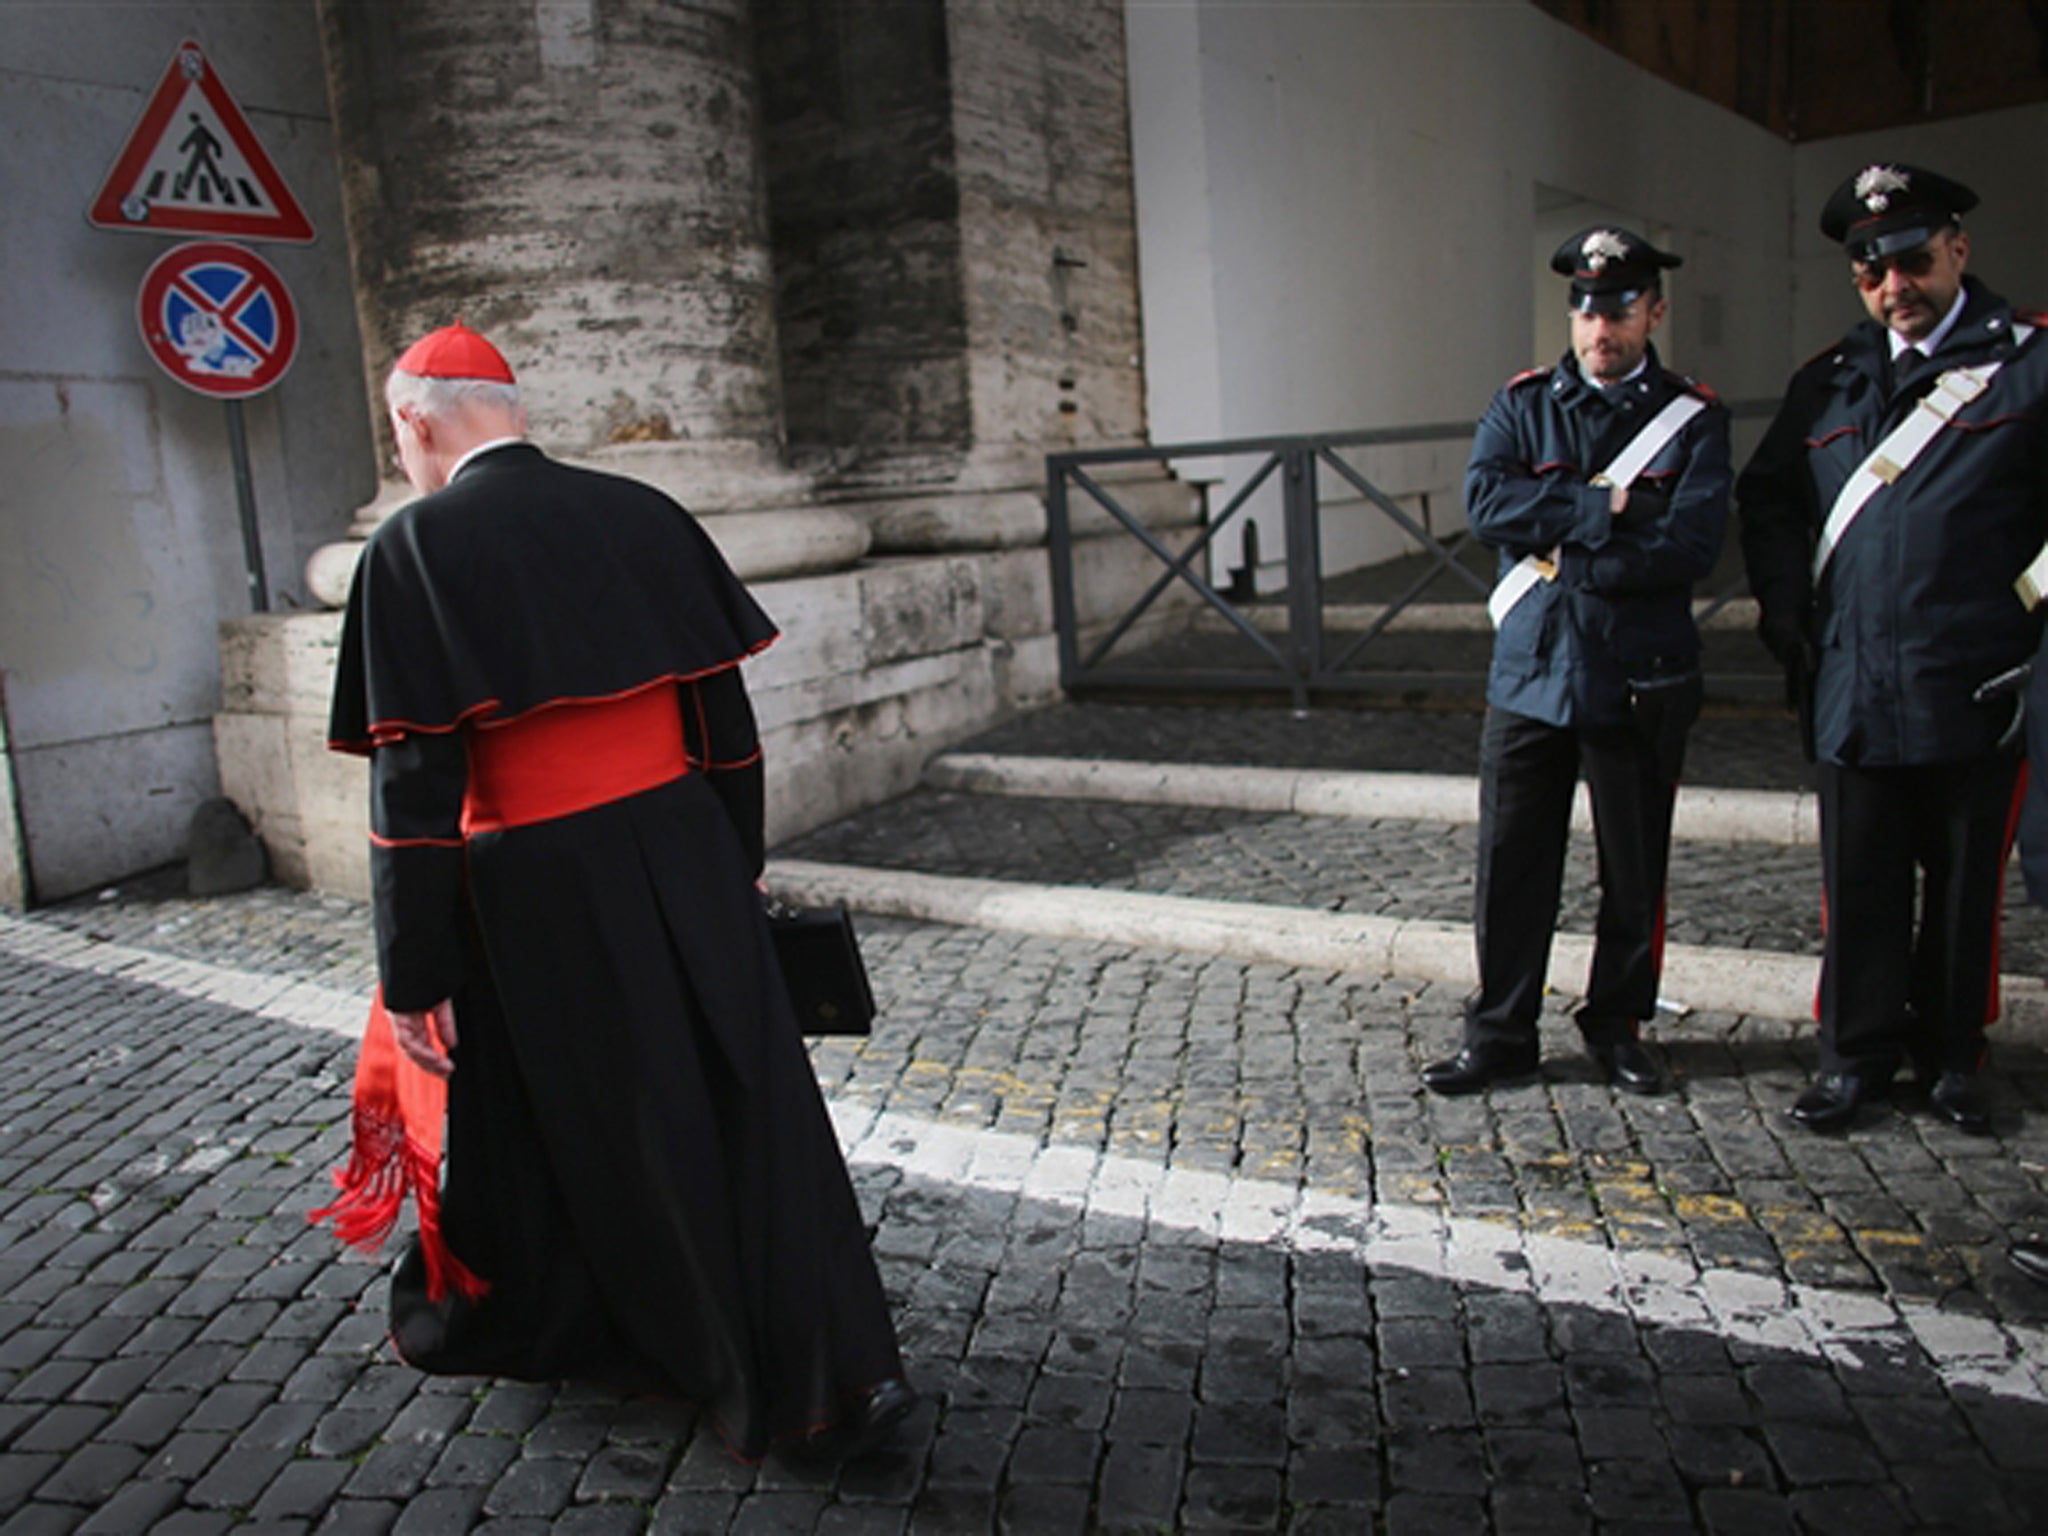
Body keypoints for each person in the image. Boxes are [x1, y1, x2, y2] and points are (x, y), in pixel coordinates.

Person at [311, 323, 914, 1460]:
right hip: (684, 849)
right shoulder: (643, 511)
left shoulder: (414, 549)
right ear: (513, 408)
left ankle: (637, 1332)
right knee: (742, 1110)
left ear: (414, 421)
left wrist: (416, 975)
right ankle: (831, 1364)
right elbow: (724, 729)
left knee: (604, 1128)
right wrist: (729, 867)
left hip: (537, 888)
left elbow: (415, 792)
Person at [1740, 164, 2048, 1135]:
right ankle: (1855, 1057)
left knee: (1963, 890)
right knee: (1859, 883)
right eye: (1869, 272)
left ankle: (1953, 1056)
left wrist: (2029, 625)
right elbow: (1769, 502)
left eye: (1911, 260)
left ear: (1957, 250)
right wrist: (1787, 614)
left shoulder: (2027, 364)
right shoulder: (1826, 379)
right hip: (1853, 683)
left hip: (1977, 676)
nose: (1892, 287)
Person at [1422, 228, 1731, 1098]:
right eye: (1588, 310)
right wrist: (1615, 504)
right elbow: (1486, 504)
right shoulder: (1521, 405)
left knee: (1633, 868)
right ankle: (1502, 1033)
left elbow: (1693, 543)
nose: (1601, 329)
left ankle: (1617, 1023)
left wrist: (1563, 528)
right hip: (1531, 671)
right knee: (1513, 865)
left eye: (1621, 310)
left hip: (1638, 672)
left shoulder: (1694, 418)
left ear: (1654, 312)